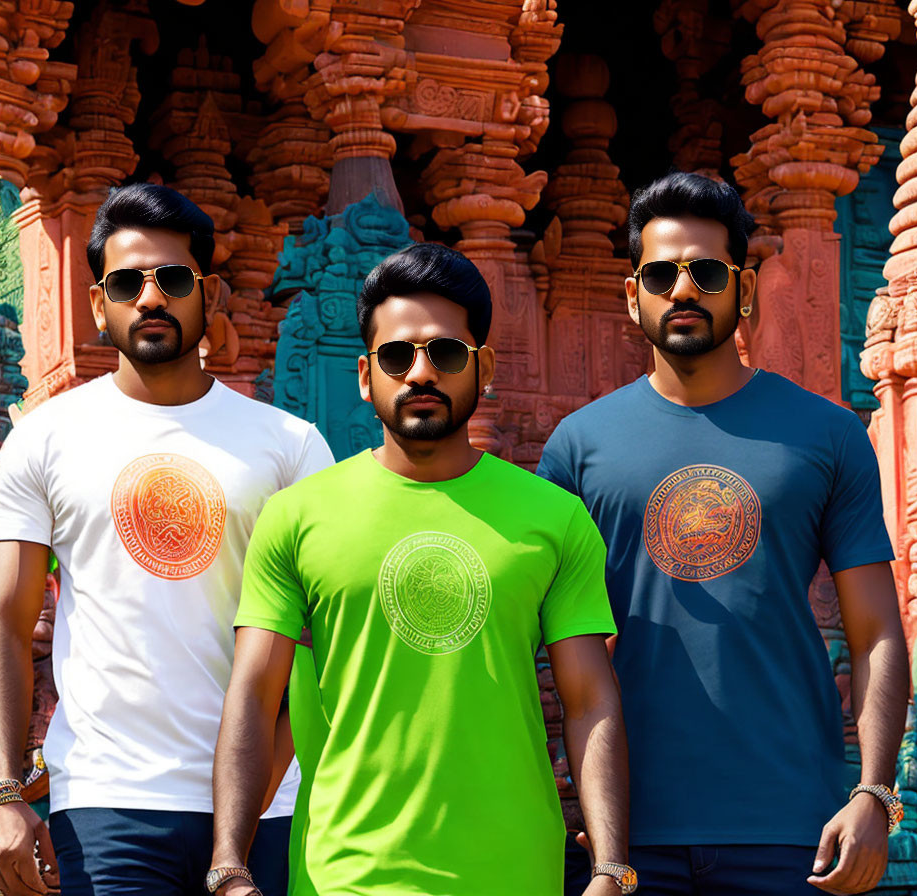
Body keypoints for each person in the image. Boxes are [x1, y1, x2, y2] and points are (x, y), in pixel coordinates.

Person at [209, 243, 633, 896]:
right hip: (346, 875)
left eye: (445, 353)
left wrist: (610, 864)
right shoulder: (296, 518)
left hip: (513, 872)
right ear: (363, 375)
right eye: (397, 355)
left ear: (483, 367)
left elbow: (588, 700)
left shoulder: (554, 519)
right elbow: (254, 696)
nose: (419, 372)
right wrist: (230, 864)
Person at [537, 171, 910, 896]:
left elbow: (877, 634)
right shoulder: (578, 448)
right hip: (626, 834)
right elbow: (545, 645)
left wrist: (875, 794)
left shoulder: (827, 435)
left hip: (794, 825)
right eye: (660, 274)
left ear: (742, 290)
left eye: (706, 272)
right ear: (631, 294)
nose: (683, 291)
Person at [0, 183, 333, 896]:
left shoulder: (290, 446)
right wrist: (2, 794)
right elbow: (4, 624)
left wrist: (262, 786)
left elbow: (320, 637)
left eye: (173, 278)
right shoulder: (45, 438)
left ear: (212, 293)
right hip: (106, 802)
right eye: (126, 282)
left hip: (268, 808)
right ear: (97, 302)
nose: (151, 298)